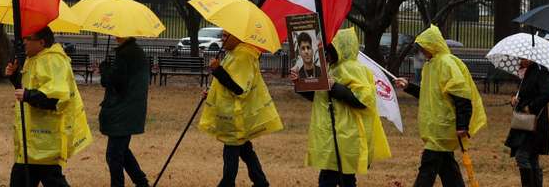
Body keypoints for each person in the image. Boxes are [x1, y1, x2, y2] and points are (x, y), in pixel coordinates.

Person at [291, 28, 389, 187]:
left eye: (331, 48)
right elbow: (318, 96)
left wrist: (335, 87)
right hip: (333, 134)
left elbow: (363, 99)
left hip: (347, 135)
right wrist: (299, 84)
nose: (327, 52)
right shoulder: (330, 68)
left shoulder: (356, 69)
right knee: (342, 178)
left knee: (331, 179)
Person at [392, 25, 487, 187]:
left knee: (428, 166)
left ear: (432, 45)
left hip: (443, 127)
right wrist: (408, 86)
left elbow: (462, 96)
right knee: (447, 167)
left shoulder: (446, 64)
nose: (422, 52)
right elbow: (427, 93)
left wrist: (462, 124)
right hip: (436, 126)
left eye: (424, 47)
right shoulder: (430, 65)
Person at [4, 26, 92, 187]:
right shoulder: (36, 58)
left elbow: (56, 97)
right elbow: (29, 87)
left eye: (28, 39)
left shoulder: (52, 60)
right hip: (33, 142)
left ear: (41, 42)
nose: (24, 43)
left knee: (48, 178)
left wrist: (28, 95)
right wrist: (14, 77)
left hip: (45, 142)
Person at [199, 31, 283, 187]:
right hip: (230, 113)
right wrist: (211, 92)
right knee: (245, 150)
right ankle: (261, 182)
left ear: (237, 36)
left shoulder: (243, 56)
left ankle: (227, 183)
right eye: (222, 35)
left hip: (236, 115)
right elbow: (227, 81)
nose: (222, 39)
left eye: (226, 35)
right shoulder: (233, 53)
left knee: (230, 153)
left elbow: (238, 88)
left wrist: (218, 70)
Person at [97, 35, 150, 187]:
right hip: (129, 109)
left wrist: (104, 69)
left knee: (113, 155)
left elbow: (114, 82)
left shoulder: (125, 53)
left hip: (123, 110)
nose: (115, 35)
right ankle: (141, 182)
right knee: (122, 151)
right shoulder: (133, 51)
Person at [505, 57, 549, 187]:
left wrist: (531, 107)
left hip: (535, 122)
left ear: (532, 57)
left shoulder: (541, 72)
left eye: (523, 57)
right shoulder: (528, 71)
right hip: (525, 122)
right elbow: (526, 93)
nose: (520, 59)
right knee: (532, 158)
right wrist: (515, 99)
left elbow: (548, 93)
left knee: (522, 157)